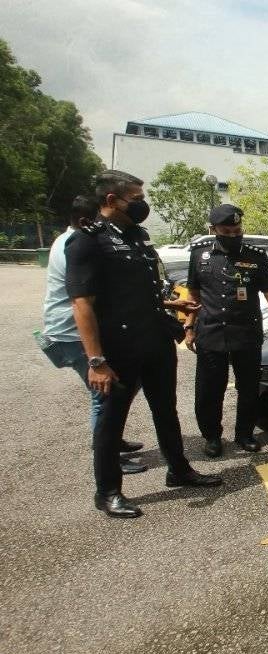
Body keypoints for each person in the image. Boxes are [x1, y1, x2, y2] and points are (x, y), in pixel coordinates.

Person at [66, 170, 222, 519]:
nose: (142, 204)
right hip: (119, 349)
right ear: (111, 200)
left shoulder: (137, 236)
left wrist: (173, 306)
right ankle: (108, 492)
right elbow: (82, 304)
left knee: (166, 410)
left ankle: (179, 470)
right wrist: (96, 360)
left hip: (154, 340)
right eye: (135, 199)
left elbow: (137, 293)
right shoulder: (88, 241)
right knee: (111, 422)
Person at [39, 196, 147, 474]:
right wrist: (97, 359)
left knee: (121, 387)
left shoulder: (71, 238)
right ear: (90, 220)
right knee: (106, 396)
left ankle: (113, 441)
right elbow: (85, 301)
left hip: (72, 330)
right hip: (74, 333)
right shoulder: (76, 244)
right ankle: (109, 456)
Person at [184, 204, 268, 457]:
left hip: (246, 333)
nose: (233, 235)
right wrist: (189, 326)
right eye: (227, 231)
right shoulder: (199, 255)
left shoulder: (256, 256)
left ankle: (244, 434)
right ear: (214, 229)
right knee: (209, 389)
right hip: (210, 332)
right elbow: (193, 294)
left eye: (237, 230)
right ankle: (212, 436)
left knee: (248, 387)